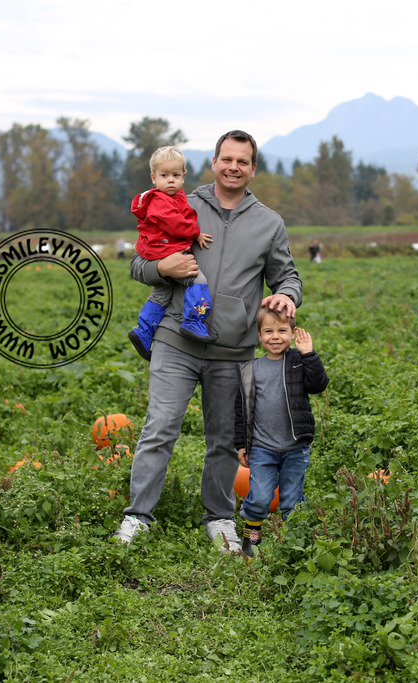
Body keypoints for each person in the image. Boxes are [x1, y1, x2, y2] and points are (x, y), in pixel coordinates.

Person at [114, 130, 302, 553]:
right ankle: (137, 517)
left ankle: (219, 518)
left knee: (223, 439)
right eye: (226, 159)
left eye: (243, 161)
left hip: (233, 351)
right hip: (175, 338)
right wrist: (162, 267)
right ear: (214, 163)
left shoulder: (269, 223)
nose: (233, 167)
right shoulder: (181, 202)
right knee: (160, 428)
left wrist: (286, 296)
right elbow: (138, 264)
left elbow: (287, 275)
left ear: (253, 169)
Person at [235, 308, 329, 557]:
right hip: (262, 448)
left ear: (292, 333)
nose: (275, 337)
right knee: (259, 496)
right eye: (268, 331)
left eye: (282, 331)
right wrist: (241, 444)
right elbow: (241, 411)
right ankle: (252, 538)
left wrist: (309, 354)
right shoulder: (250, 369)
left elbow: (318, 385)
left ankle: (293, 541)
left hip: (295, 447)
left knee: (291, 498)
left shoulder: (298, 362)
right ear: (259, 334)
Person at [127, 146, 215, 360]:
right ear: (153, 178)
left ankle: (144, 331)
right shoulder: (159, 200)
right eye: (164, 176)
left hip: (158, 249)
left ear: (183, 176)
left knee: (161, 293)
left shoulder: (174, 198)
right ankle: (194, 320)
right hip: (164, 250)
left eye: (175, 175)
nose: (171, 181)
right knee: (197, 279)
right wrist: (195, 232)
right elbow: (175, 223)